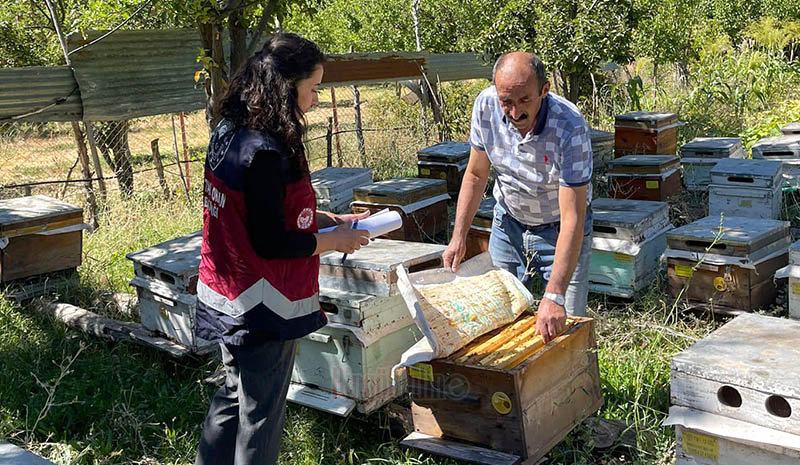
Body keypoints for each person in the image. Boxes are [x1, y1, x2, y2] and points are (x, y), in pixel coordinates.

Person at [194, 33, 370, 465]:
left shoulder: (231, 131)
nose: (313, 101)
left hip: (225, 294)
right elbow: (271, 240)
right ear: (286, 87)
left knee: (234, 395)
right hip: (263, 307)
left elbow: (261, 212)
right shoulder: (266, 152)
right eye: (311, 89)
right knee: (261, 414)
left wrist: (332, 220)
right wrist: (335, 242)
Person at [442, 51, 593, 344]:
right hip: (508, 224)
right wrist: (458, 236)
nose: (515, 113)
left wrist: (553, 294)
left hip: (560, 229)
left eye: (525, 101)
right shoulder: (485, 106)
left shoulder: (570, 126)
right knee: (497, 319)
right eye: (506, 102)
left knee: (566, 328)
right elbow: (475, 174)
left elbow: (573, 216)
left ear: (544, 91)